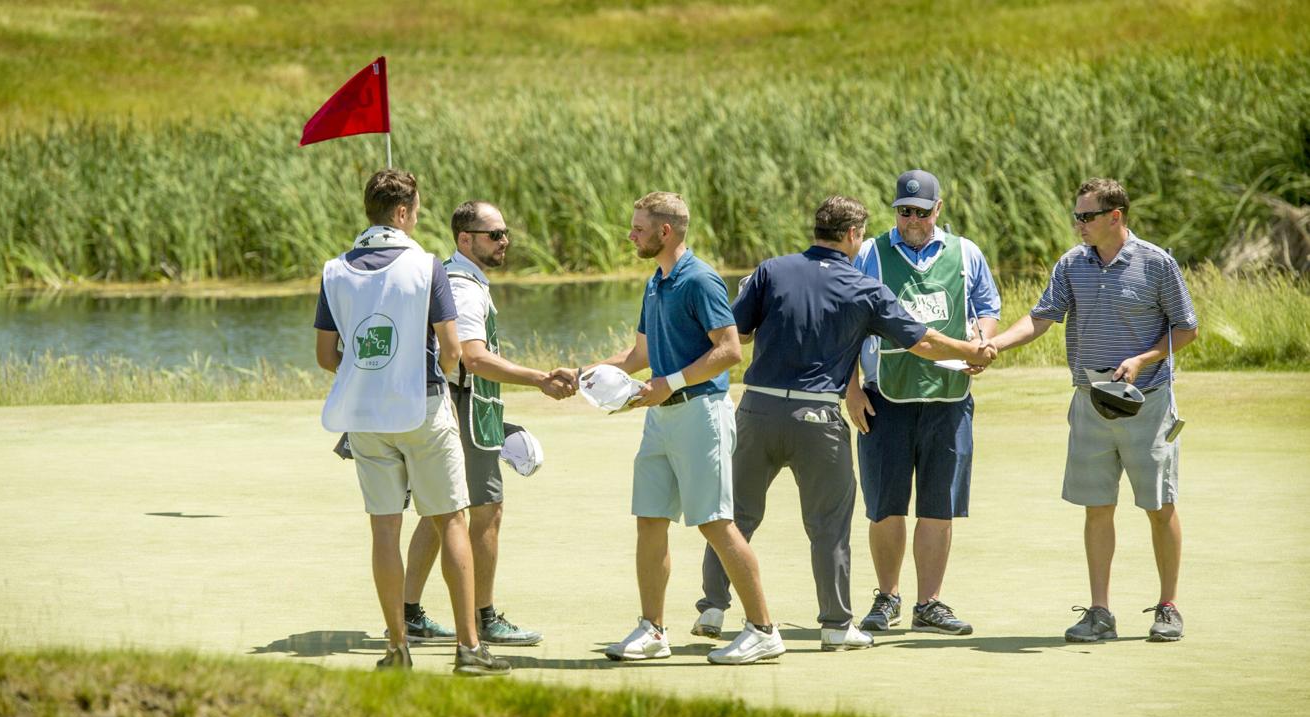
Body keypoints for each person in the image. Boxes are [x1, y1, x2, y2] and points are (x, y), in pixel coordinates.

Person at [696, 196, 995, 652]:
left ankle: (714, 608)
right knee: (829, 526)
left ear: (817, 228)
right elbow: (924, 343)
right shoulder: (864, 288)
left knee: (734, 516)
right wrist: (970, 351)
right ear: (854, 235)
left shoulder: (771, 271)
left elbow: (738, 331)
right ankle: (835, 625)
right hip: (817, 419)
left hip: (757, 409)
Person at [314, 169, 510, 676]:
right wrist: (433, 378)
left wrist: (373, 375)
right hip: (422, 405)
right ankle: (469, 649)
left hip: (365, 416)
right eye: (417, 211)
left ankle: (396, 650)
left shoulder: (334, 270)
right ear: (402, 213)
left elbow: (326, 356)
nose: (418, 218)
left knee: (384, 529)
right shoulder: (427, 265)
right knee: (452, 520)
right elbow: (451, 350)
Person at [988, 177, 1197, 642]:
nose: (1078, 224)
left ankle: (1168, 606)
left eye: (1086, 216)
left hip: (1149, 402)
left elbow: (1186, 329)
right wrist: (995, 345)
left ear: (1115, 217)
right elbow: (1042, 317)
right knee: (1097, 508)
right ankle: (1099, 611)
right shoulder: (1072, 264)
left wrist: (1142, 359)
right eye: (1077, 216)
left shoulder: (1156, 263)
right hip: (1089, 402)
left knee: (1160, 506)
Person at [586, 192, 783, 665]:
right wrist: (583, 373)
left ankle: (763, 630)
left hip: (701, 413)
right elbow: (639, 357)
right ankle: (653, 630)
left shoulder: (700, 279)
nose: (630, 235)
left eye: (638, 228)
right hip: (661, 417)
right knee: (650, 518)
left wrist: (667, 383)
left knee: (716, 523)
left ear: (664, 232)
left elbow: (730, 350)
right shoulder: (656, 282)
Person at [396, 200, 576, 648]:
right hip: (462, 407)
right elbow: (473, 359)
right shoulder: (462, 286)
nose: (504, 241)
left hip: (460, 406)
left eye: (504, 232)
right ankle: (484, 617)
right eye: (494, 234)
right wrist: (538, 379)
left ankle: (409, 613)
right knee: (485, 511)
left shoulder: (464, 279)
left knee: (441, 512)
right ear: (465, 239)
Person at [845, 169, 1002, 636]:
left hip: (949, 397)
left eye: (920, 211)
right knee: (885, 506)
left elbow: (987, 306)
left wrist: (982, 340)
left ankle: (928, 603)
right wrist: (850, 389)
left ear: (938, 210)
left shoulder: (966, 253)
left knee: (939, 507)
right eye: (902, 211)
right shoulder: (869, 252)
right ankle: (887, 597)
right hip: (882, 398)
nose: (911, 219)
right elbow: (847, 323)